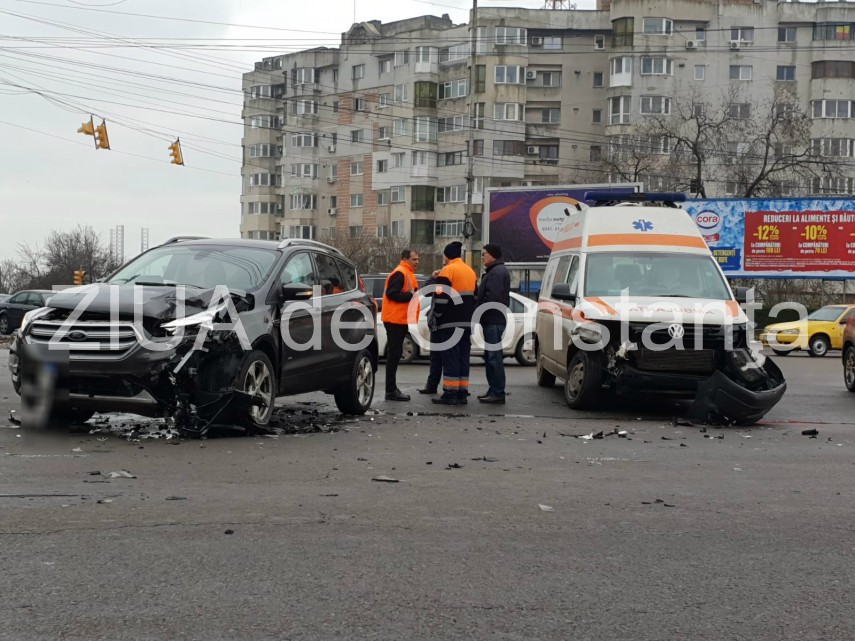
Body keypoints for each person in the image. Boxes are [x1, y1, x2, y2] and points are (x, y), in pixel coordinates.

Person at [431, 241, 477, 406]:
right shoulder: (471, 272)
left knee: (450, 357)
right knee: (463, 357)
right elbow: (475, 298)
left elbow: (440, 298)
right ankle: (462, 393)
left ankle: (450, 394)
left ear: (447, 255)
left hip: (449, 324)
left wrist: (437, 315)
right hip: (466, 323)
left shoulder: (447, 271)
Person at [381, 249, 420, 401]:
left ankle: (392, 389)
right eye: (414, 259)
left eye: (417, 259)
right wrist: (410, 295)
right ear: (405, 259)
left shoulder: (407, 272)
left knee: (395, 354)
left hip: (399, 319)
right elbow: (392, 293)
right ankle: (390, 390)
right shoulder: (400, 272)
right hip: (394, 320)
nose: (417, 262)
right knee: (394, 355)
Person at [476, 243, 511, 403]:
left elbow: (493, 296)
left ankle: (498, 393)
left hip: (493, 319)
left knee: (494, 357)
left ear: (493, 255)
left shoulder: (497, 272)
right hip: (491, 319)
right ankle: (493, 390)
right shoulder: (494, 271)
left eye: (484, 254)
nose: (482, 257)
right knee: (490, 356)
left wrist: (478, 307)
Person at [418, 269, 444, 395]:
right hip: (437, 325)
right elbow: (426, 292)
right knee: (436, 357)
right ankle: (432, 385)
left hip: (443, 324)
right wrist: (432, 277)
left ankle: (451, 389)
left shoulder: (448, 279)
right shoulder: (440, 279)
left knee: (446, 358)